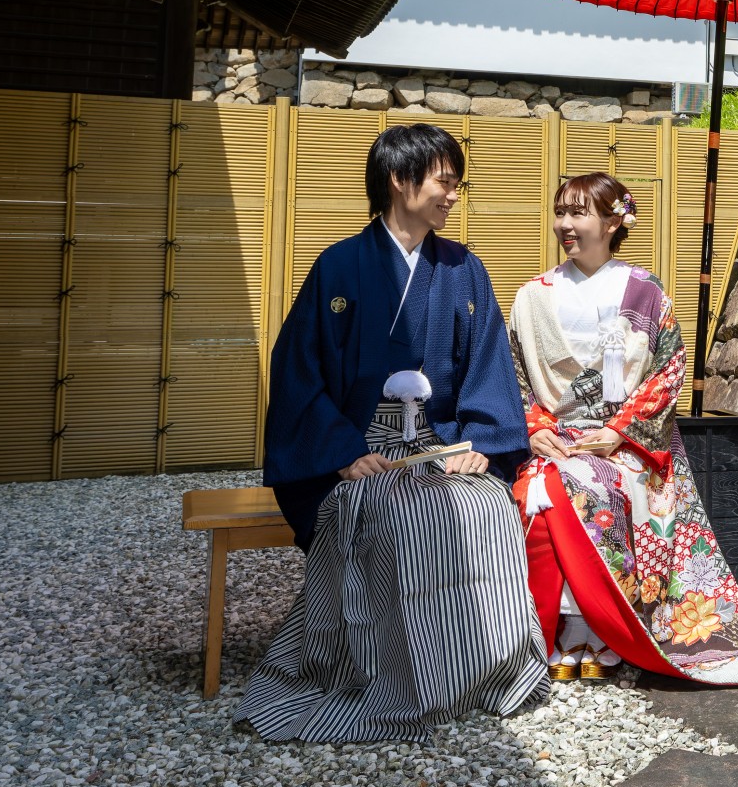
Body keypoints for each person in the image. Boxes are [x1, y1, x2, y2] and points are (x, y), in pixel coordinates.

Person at [234, 123, 548, 741]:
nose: (453, 195)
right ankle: (386, 674)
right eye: (444, 182)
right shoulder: (340, 267)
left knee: (484, 508)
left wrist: (481, 444)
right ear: (401, 182)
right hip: (360, 451)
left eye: (456, 184)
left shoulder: (463, 270)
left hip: (439, 445)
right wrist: (344, 454)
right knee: (391, 517)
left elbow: (487, 364)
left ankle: (479, 669)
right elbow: (299, 370)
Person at [509, 172, 738, 686]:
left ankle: (604, 631)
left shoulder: (645, 291)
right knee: (547, 487)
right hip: (558, 436)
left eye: (578, 213)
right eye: (560, 212)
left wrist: (620, 432)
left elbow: (666, 371)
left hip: (625, 440)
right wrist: (536, 427)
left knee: (590, 484)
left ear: (613, 222)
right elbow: (515, 373)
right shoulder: (533, 296)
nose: (565, 224)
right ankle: (565, 632)